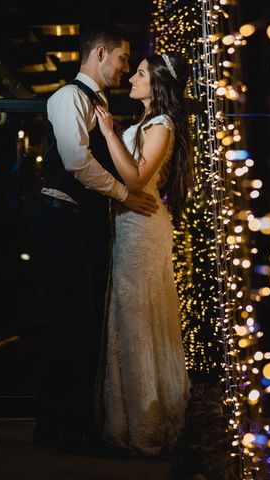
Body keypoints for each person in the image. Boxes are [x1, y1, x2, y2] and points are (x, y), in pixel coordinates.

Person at [31, 22, 158, 458]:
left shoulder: (98, 101)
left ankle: (56, 426)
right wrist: (126, 194)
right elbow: (75, 162)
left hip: (79, 222)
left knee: (75, 325)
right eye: (123, 59)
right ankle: (68, 428)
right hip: (60, 218)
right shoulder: (67, 97)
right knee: (72, 323)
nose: (125, 69)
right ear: (100, 53)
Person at [92, 52, 192, 455]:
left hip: (143, 230)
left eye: (140, 73)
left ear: (158, 84)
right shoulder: (145, 123)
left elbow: (136, 178)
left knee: (137, 319)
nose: (132, 77)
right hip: (127, 227)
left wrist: (109, 132)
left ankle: (147, 427)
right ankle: (124, 422)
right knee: (125, 317)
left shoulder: (162, 126)